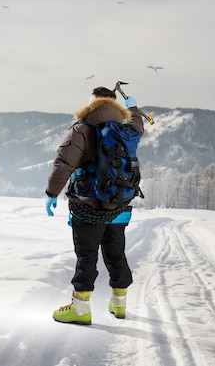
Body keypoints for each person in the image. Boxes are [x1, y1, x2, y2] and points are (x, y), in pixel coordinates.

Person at [44, 86, 144, 325]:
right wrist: (133, 108)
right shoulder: (126, 128)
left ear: (92, 103)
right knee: (116, 254)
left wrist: (52, 192)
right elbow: (139, 126)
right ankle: (119, 304)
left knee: (86, 256)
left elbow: (64, 163)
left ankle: (80, 309)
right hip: (118, 206)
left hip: (87, 206)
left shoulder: (82, 128)